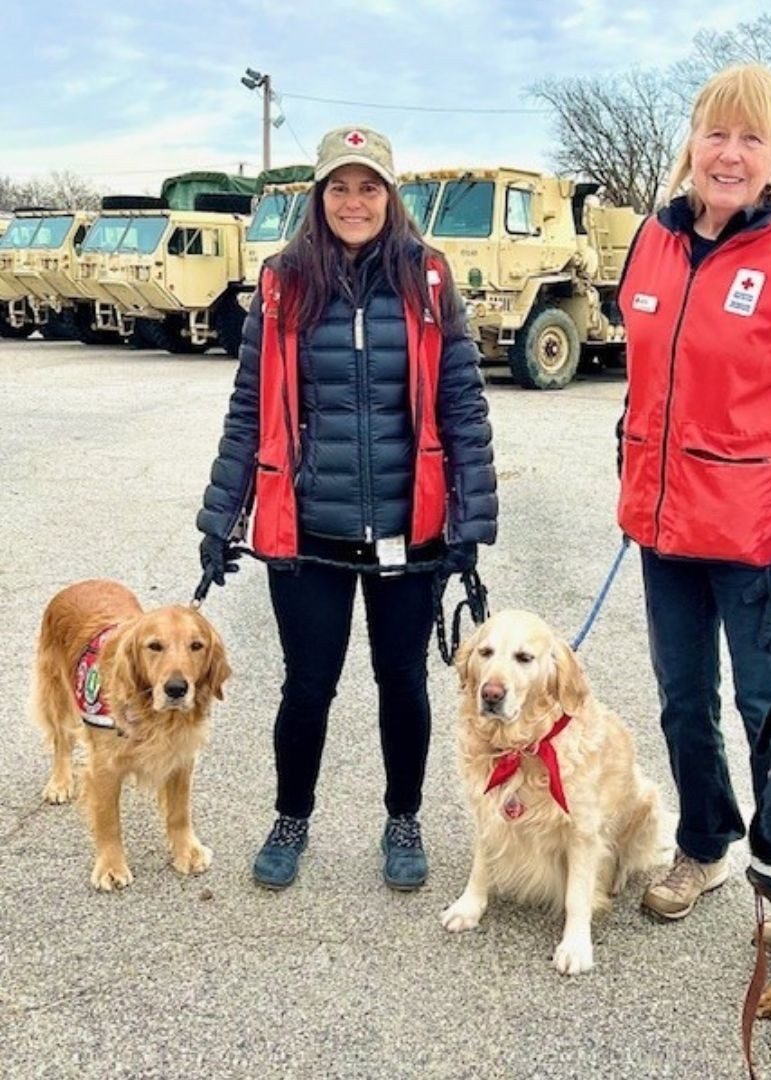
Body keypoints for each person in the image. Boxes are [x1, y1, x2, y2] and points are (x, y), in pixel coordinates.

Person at [196, 124, 497, 892]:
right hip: (309, 532)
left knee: (403, 682)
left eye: (369, 187)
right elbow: (248, 409)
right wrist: (220, 517)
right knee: (308, 685)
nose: (353, 202)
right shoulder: (281, 284)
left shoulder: (428, 280)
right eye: (339, 186)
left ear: (391, 197)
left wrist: (469, 523)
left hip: (409, 530)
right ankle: (291, 817)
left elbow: (463, 404)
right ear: (318, 196)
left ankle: (404, 819)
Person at [615, 65, 771, 921]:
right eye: (717, 133)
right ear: (693, 144)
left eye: (751, 138)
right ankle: (705, 847)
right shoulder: (652, 241)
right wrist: (632, 459)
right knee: (684, 704)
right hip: (664, 533)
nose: (730, 154)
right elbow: (649, 378)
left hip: (760, 544)